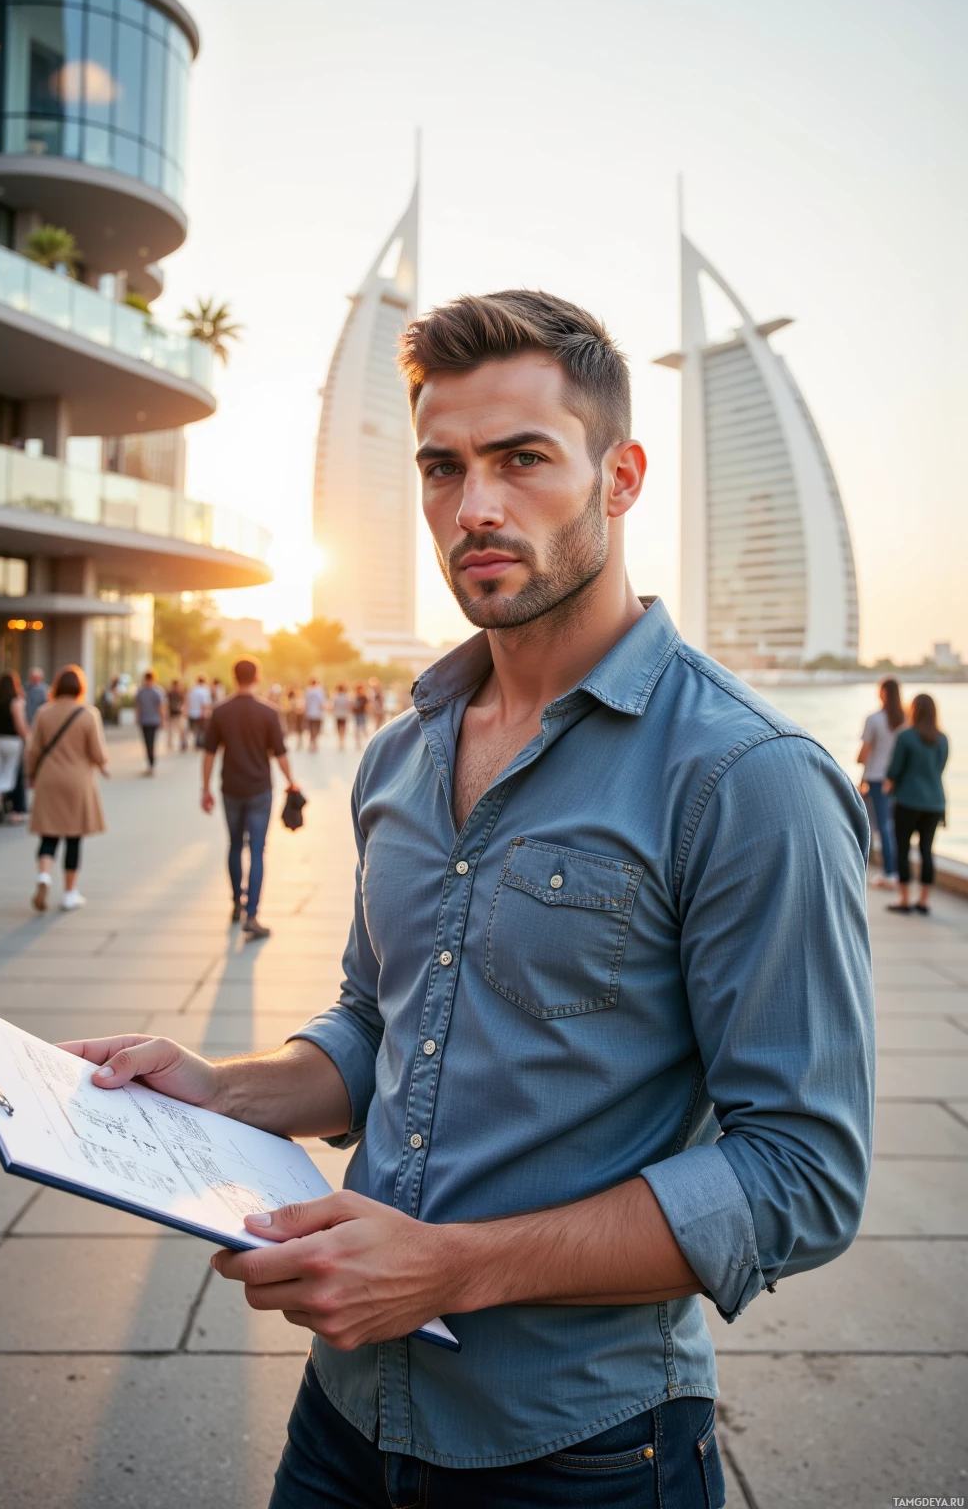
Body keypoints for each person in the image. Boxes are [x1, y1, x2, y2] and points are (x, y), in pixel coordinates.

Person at [63, 291, 874, 1508]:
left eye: (521, 459)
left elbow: (802, 1171)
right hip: (343, 1418)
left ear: (620, 475)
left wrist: (450, 1270)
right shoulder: (400, 756)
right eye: (443, 468)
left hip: (585, 1452)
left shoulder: (747, 778)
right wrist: (225, 1088)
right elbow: (377, 1026)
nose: (473, 506)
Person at [200, 657, 297, 939]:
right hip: (259, 790)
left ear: (234, 677)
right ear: (257, 677)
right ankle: (252, 915)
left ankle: (235, 903)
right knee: (256, 850)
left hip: (230, 789)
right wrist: (291, 782)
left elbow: (209, 753)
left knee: (233, 845)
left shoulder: (220, 711)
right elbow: (280, 754)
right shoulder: (268, 713)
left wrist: (204, 789)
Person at [25, 664, 109, 912]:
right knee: (73, 838)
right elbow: (97, 752)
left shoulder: (43, 712)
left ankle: (43, 876)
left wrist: (30, 775)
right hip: (77, 781)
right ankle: (70, 893)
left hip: (48, 779)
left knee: (48, 835)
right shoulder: (88, 714)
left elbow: (33, 750)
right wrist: (103, 765)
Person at [886, 693, 948, 916]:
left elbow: (894, 770)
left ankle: (904, 899)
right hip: (935, 802)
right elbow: (940, 768)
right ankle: (923, 901)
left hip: (908, 800)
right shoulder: (942, 738)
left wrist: (887, 786)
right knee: (926, 851)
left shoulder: (905, 736)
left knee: (902, 848)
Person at [858, 676, 904, 887]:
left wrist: (859, 761)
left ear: (884, 692)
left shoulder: (874, 718)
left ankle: (888, 872)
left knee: (874, 825)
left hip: (876, 779)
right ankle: (893, 870)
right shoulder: (905, 719)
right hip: (898, 780)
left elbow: (864, 753)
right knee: (892, 826)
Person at [0, 671, 29, 824]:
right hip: (12, 741)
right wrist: (27, 739)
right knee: (11, 772)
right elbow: (19, 723)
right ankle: (9, 803)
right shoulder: (16, 701)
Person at [134, 670, 166, 775]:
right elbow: (138, 706)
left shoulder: (156, 691)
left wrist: (162, 720)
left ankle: (151, 765)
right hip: (145, 720)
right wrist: (137, 718)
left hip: (153, 721)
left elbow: (160, 707)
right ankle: (150, 764)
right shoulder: (142, 691)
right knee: (147, 743)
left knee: (151, 743)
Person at [186, 674, 212, 749]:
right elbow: (205, 703)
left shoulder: (192, 690)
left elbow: (187, 702)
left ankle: (196, 742)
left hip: (192, 713)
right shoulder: (204, 690)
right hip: (200, 713)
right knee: (201, 730)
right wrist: (205, 713)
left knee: (195, 730)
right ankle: (199, 743)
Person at [303, 676, 326, 752]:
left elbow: (305, 702)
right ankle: (315, 744)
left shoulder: (307, 691)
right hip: (317, 713)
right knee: (316, 729)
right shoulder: (320, 691)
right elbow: (322, 703)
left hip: (309, 713)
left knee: (310, 729)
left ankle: (311, 744)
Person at [167, 678, 187, 752]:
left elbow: (184, 702)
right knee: (171, 729)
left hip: (178, 712)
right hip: (172, 712)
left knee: (180, 729)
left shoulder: (179, 693)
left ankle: (181, 742)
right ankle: (170, 743)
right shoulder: (171, 693)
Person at [332, 683, 351, 748]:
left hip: (338, 714)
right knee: (343, 728)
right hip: (344, 714)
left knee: (338, 728)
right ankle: (342, 741)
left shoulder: (336, 697)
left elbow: (333, 706)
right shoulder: (346, 697)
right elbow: (349, 706)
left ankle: (340, 741)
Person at [352, 683, 369, 748]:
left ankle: (368, 741)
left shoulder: (364, 697)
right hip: (357, 714)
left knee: (363, 728)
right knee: (357, 728)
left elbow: (367, 706)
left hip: (362, 714)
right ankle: (358, 743)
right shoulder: (355, 697)